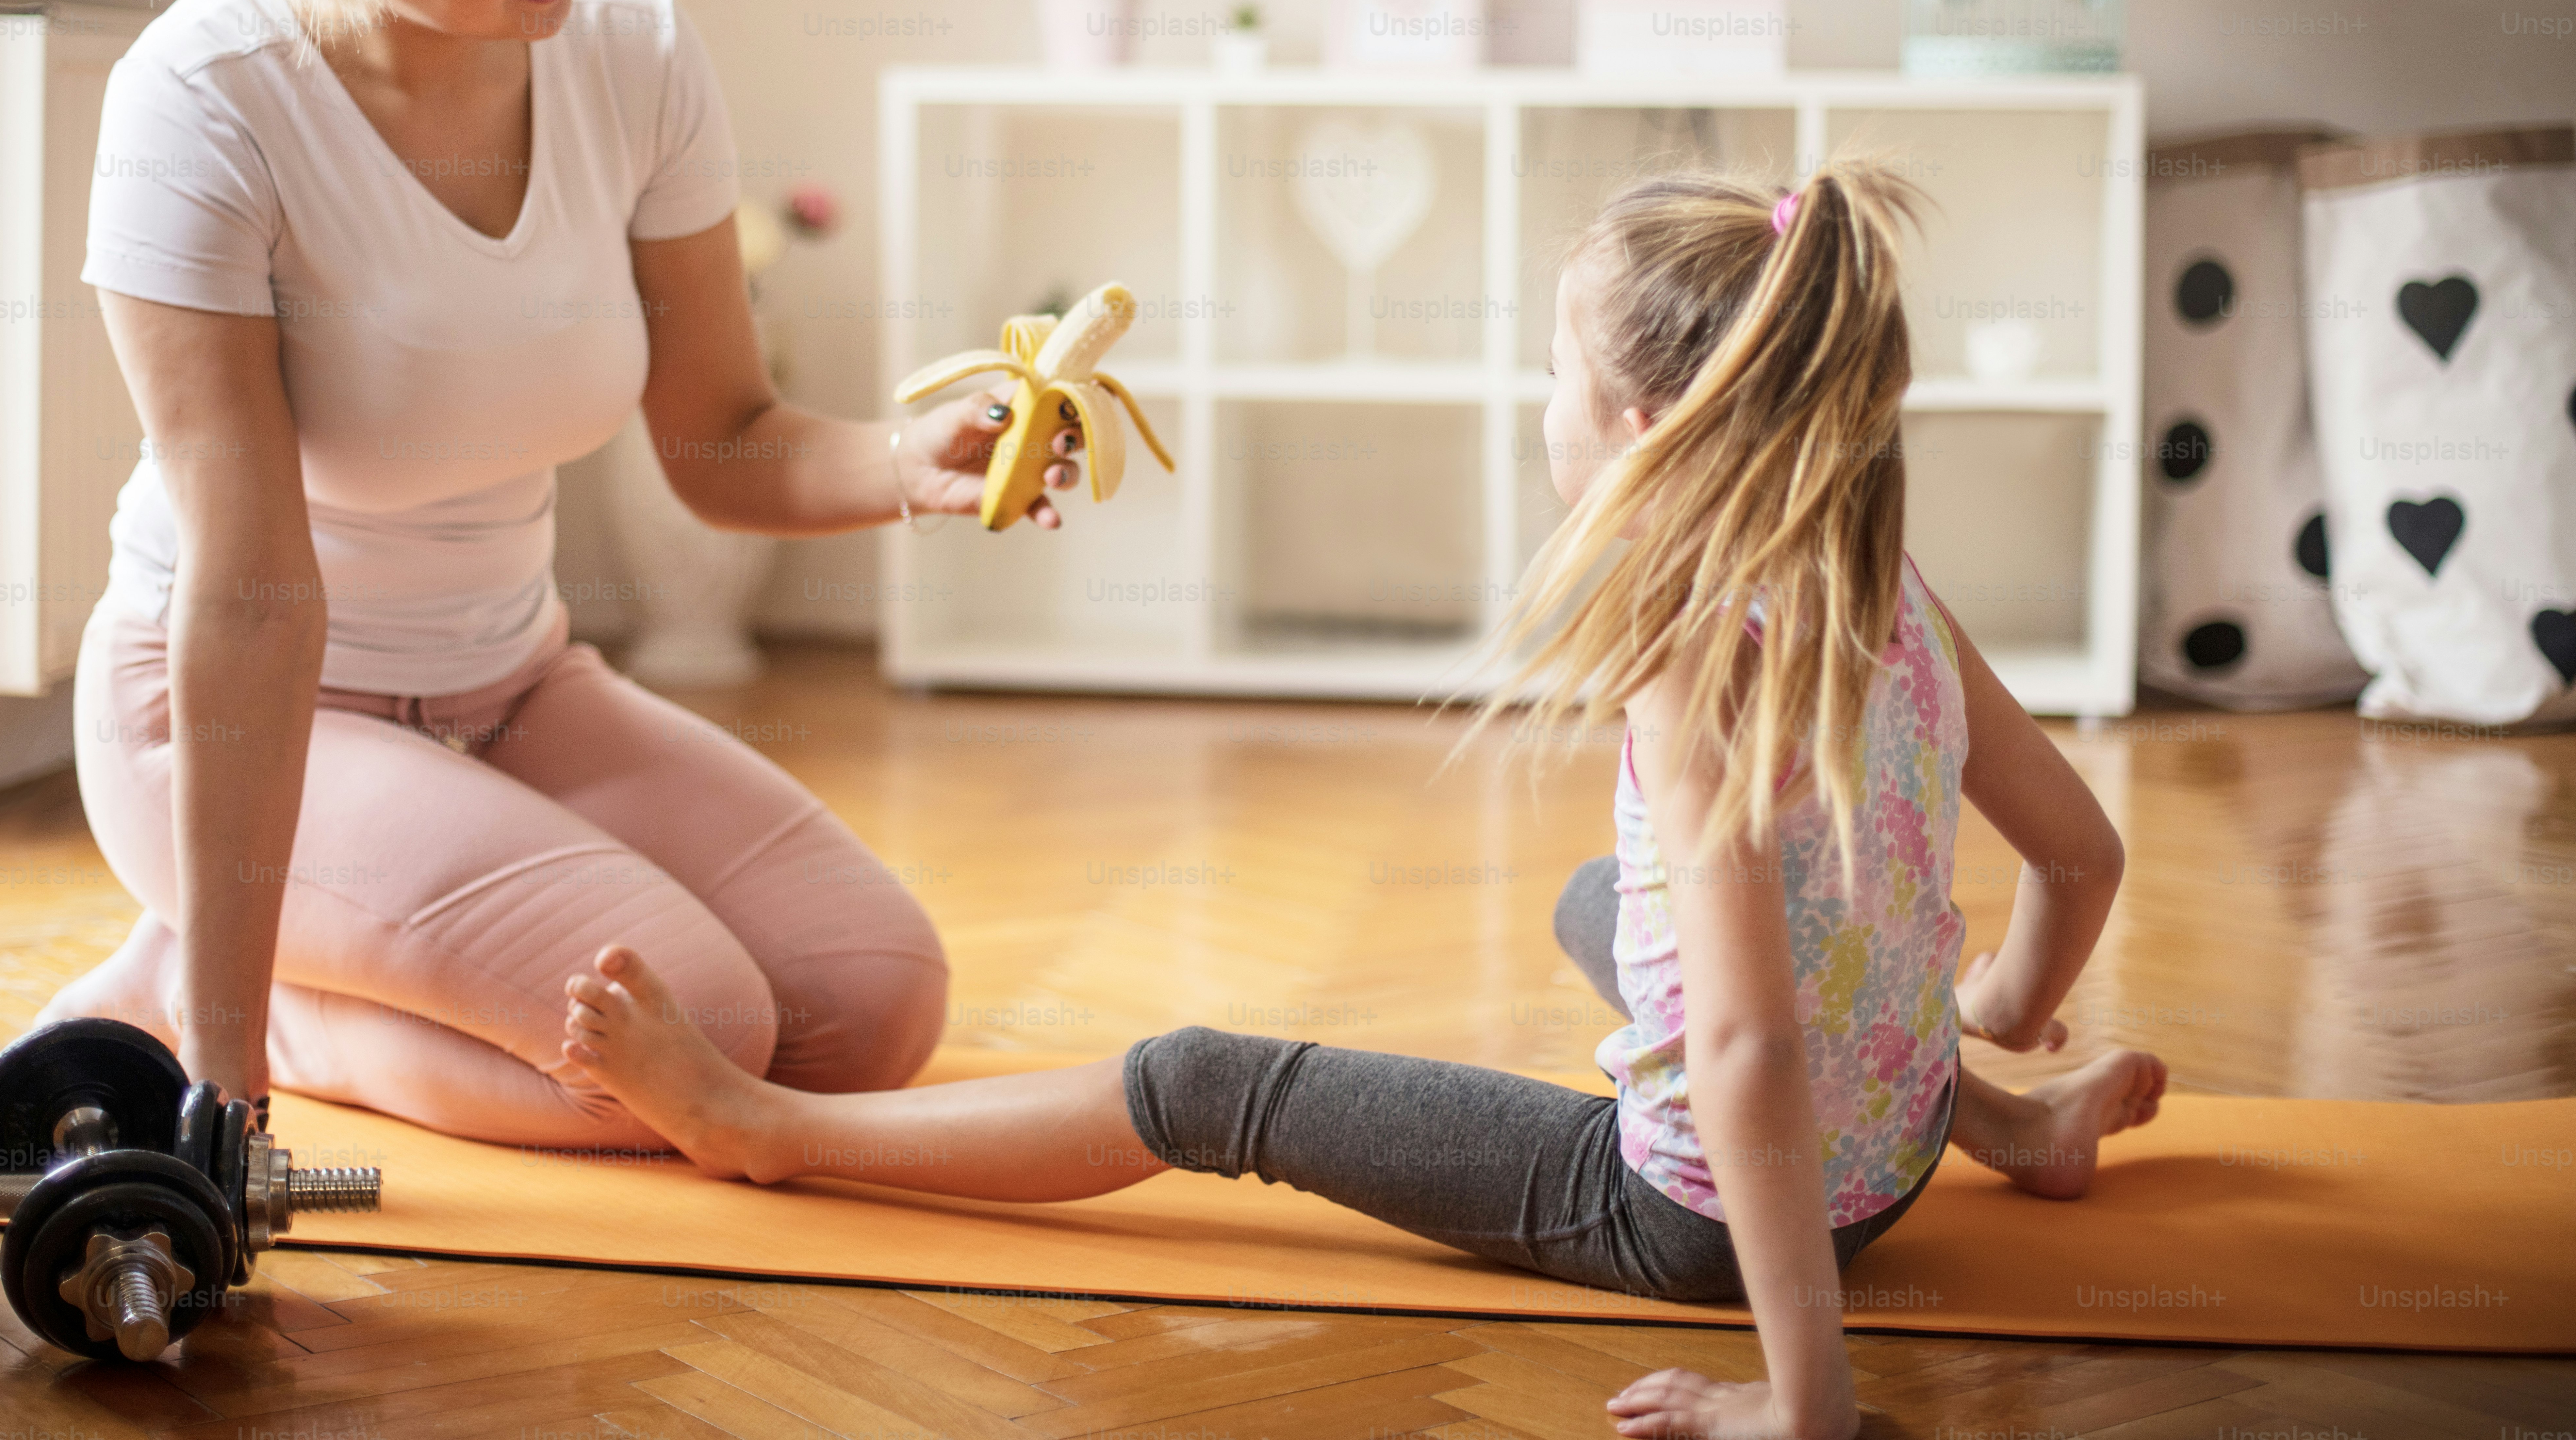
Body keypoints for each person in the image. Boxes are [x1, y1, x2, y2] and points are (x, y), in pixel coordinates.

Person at [555, 164, 2170, 1440]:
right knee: (1595, 909)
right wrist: (1997, 1027)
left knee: (1203, 1083)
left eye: (1553, 370)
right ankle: (2020, 1132)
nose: (1539, 400)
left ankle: (763, 1131)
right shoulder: (1887, 583)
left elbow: (1744, 1048)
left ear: (1642, 429)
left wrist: (1798, 1403)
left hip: (1700, 1220)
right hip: (1883, 1152)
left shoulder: (1692, 656)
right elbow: (2077, 851)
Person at [44, 0, 1080, 1148]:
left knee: (870, 1004)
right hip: (242, 719)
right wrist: (219, 1079)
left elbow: (724, 437)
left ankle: (342, 969)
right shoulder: (202, 106)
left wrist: (904, 462)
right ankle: (249, 995)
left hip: (515, 686)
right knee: (704, 1034)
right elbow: (254, 593)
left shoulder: (631, 49)